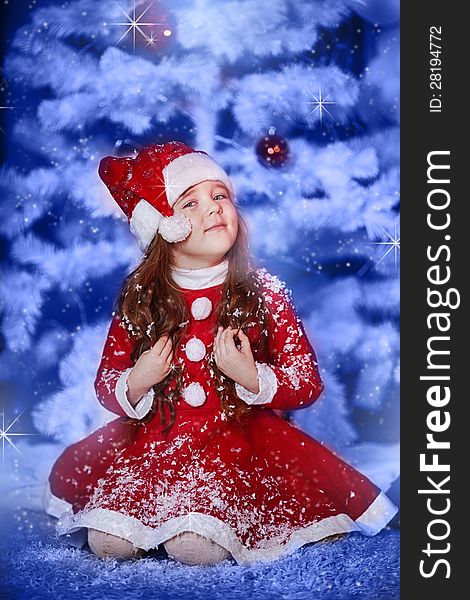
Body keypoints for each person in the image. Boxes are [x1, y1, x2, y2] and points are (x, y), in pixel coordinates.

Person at [42, 141, 398, 566]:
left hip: (237, 441)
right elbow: (106, 380)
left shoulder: (264, 291)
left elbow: (307, 380)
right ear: (165, 227)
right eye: (190, 202)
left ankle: (201, 523)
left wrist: (251, 376)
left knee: (195, 550)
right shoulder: (141, 295)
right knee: (109, 546)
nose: (213, 208)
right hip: (154, 444)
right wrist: (138, 379)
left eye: (220, 196)